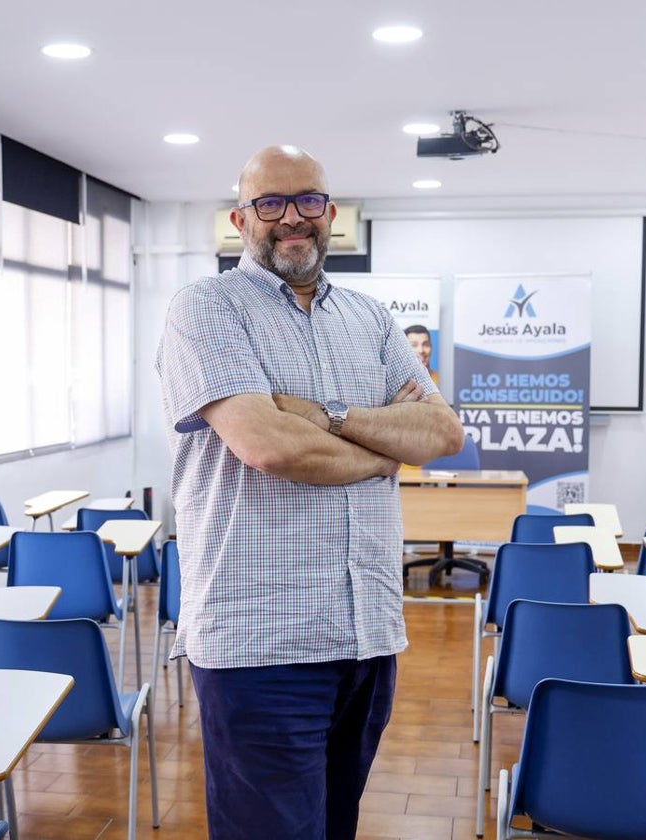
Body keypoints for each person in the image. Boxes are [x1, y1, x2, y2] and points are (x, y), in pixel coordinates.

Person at [156, 145, 465, 840]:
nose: (291, 218)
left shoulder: (371, 317)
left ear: (332, 215)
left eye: (308, 202)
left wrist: (327, 417)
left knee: (333, 829)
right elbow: (271, 447)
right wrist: (385, 452)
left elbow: (442, 433)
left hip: (365, 634)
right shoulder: (206, 309)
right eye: (271, 203)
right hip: (259, 644)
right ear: (241, 219)